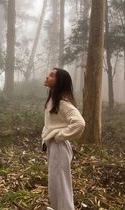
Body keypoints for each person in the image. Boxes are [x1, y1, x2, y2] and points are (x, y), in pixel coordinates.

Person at [42, 67, 86, 210]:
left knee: (62, 187)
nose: (47, 76)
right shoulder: (52, 101)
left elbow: (79, 123)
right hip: (53, 147)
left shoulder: (63, 103)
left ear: (59, 81)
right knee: (54, 185)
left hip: (59, 148)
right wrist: (46, 139)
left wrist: (59, 136)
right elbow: (50, 125)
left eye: (52, 75)